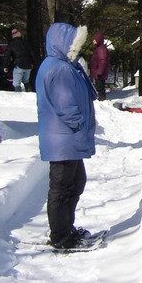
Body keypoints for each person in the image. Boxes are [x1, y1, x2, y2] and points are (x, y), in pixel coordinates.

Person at [36, 22, 97, 250]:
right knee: (62, 189)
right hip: (64, 138)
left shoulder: (63, 65)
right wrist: (79, 123)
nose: (76, 47)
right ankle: (60, 236)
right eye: (73, 43)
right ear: (62, 44)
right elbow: (65, 104)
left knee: (75, 183)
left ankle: (66, 228)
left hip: (67, 139)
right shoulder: (59, 69)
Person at [89, 32, 110, 101]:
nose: (93, 41)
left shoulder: (101, 49)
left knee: (100, 87)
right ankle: (100, 99)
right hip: (97, 72)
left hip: (99, 73)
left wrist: (100, 71)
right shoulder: (98, 48)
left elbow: (102, 60)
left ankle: (102, 100)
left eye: (95, 40)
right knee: (98, 87)